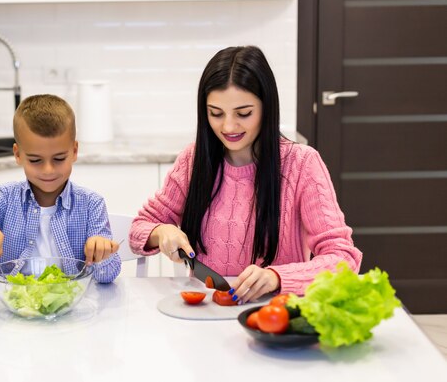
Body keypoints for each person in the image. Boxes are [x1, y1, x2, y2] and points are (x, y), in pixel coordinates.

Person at [129, 46, 362, 302]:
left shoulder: (302, 164)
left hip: (274, 313)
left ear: (267, 107)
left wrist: (277, 277)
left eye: (244, 113)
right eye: (216, 114)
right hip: (206, 311)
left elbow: (343, 258)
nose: (228, 126)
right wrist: (161, 232)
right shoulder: (193, 160)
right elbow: (140, 228)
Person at [0, 94, 121, 283]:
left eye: (59, 159)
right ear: (18, 155)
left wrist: (103, 254)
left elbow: (108, 276)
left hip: (73, 303)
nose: (48, 170)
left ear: (74, 151)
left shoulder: (91, 204)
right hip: (18, 304)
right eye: (35, 160)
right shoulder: (6, 197)